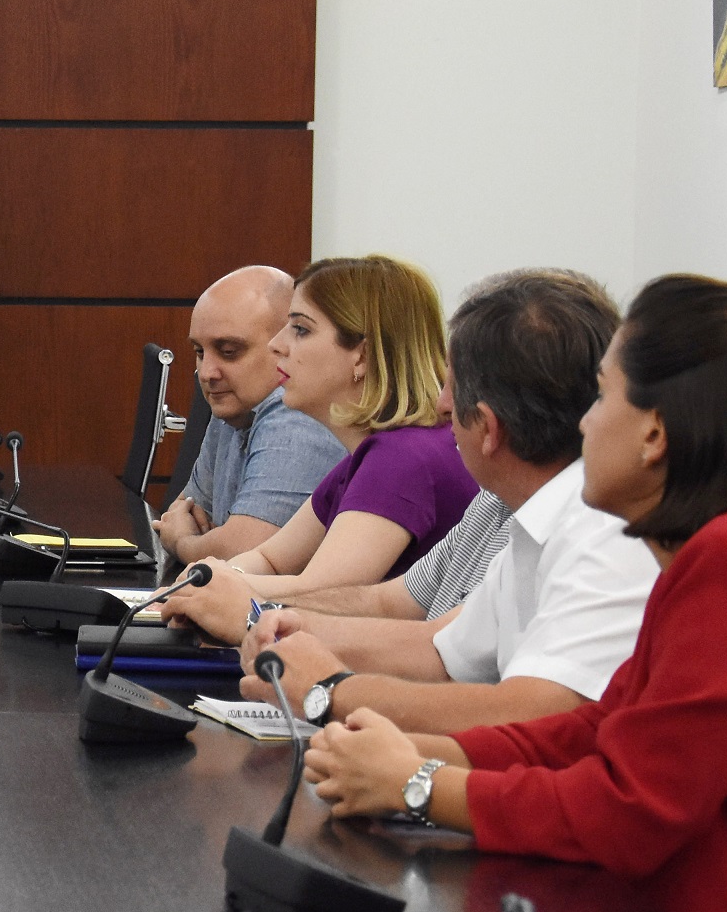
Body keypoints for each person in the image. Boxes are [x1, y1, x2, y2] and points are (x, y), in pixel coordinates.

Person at [304, 275, 727, 912]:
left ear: (654, 434)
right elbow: (598, 731)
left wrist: (419, 784)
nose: (585, 422)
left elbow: (630, 810)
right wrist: (420, 753)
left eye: (602, 397)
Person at [241, 270, 656, 733]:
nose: (440, 406)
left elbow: (542, 713)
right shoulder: (520, 508)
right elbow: (444, 651)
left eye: (450, 387)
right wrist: (294, 628)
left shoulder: (604, 531)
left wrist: (331, 691)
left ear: (489, 428)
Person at [162, 255, 478, 640]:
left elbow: (320, 594)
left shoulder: (403, 458)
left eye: (300, 329)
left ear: (362, 354)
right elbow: (271, 559)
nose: (277, 345)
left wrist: (211, 584)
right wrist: (211, 580)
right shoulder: (373, 452)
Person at [154, 265, 347, 563]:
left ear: (284, 345)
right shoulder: (234, 404)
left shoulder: (296, 413)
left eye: (229, 351)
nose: (206, 373)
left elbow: (244, 553)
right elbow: (181, 514)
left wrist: (183, 543)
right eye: (200, 352)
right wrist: (204, 539)